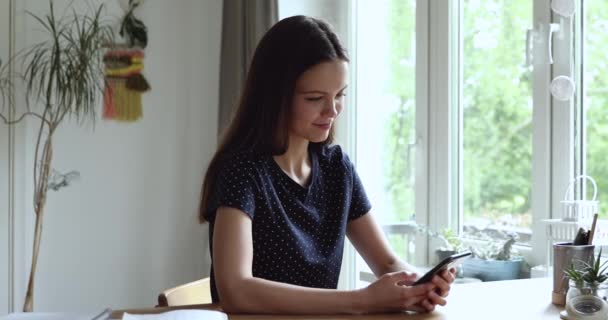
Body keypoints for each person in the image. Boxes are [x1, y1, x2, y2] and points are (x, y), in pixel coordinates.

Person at [198, 15, 455, 315]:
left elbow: (386, 263)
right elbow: (236, 291)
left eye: (340, 95)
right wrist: (364, 300)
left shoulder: (336, 169)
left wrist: (419, 284)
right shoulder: (241, 171)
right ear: (276, 96)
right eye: (315, 98)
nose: (331, 110)